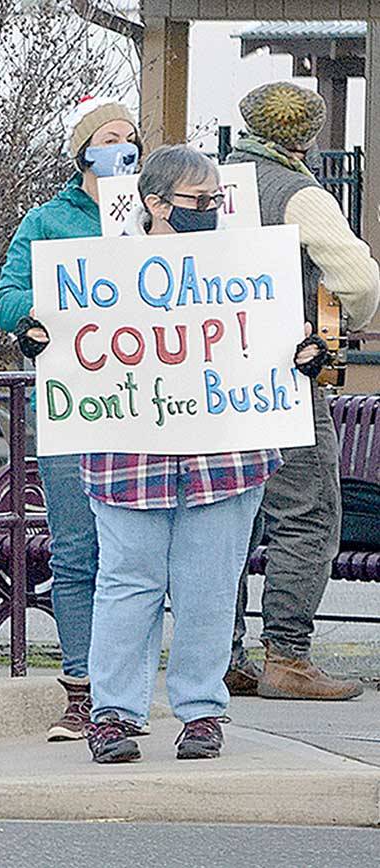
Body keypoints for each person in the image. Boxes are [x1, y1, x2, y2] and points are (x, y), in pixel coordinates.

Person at [29, 146, 323, 763]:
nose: (211, 210)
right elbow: (66, 332)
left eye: (217, 200)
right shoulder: (102, 272)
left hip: (223, 459)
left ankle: (201, 712)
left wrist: (304, 357)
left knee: (209, 588)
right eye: (197, 201)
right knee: (125, 584)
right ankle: (112, 714)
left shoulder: (245, 266)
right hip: (129, 454)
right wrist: (39, 334)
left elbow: (275, 337)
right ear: (155, 203)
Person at [225, 82, 380, 701]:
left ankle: (220, 655)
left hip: (208, 379)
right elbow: (358, 276)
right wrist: (342, 318)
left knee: (225, 516)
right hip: (285, 373)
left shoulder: (209, 180)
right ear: (307, 135)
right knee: (308, 512)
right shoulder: (299, 193)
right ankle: (287, 657)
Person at [0, 96, 141, 742]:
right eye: (109, 137)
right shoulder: (47, 221)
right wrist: (60, 300)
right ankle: (82, 690)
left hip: (142, 404)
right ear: (82, 150)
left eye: (131, 138)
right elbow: (7, 299)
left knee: (133, 559)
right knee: (77, 554)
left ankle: (123, 695)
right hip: (71, 405)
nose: (123, 147)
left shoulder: (152, 214)